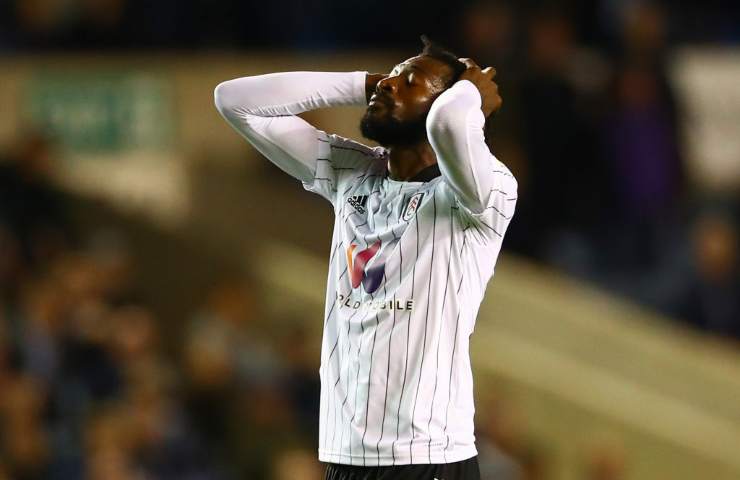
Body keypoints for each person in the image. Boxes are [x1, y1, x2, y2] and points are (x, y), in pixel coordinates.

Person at [214, 35, 517, 480]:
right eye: (390, 76)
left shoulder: (483, 192)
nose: (390, 85)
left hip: (427, 457)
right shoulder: (351, 173)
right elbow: (233, 100)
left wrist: (470, 90)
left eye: (411, 81)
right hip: (345, 456)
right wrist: (364, 83)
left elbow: (449, 125)